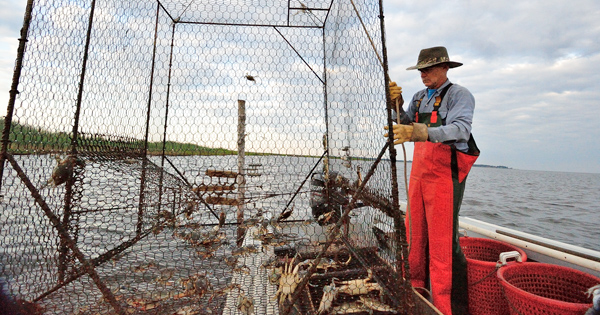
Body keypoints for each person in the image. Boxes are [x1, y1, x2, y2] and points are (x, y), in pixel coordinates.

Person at [384, 46, 480, 315]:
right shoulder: (418, 97)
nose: (423, 74)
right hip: (418, 176)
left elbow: (461, 130)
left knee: (443, 245)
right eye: (420, 70)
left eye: (428, 69)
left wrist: (419, 130)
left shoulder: (459, 95)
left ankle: (448, 306)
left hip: (443, 179)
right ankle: (415, 292)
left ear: (445, 68)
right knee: (414, 237)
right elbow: (404, 123)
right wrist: (397, 104)